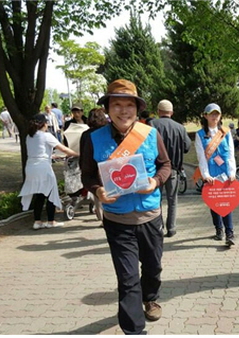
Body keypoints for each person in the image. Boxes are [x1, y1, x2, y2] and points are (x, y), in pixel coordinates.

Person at [80, 79, 171, 335]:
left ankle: (150, 297)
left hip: (150, 216)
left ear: (137, 108)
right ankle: (134, 330)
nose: (123, 111)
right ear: (108, 109)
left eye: (129, 105)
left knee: (153, 267)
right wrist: (98, 191)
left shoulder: (150, 134)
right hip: (117, 221)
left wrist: (155, 181)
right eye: (117, 105)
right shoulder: (92, 139)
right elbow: (87, 174)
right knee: (128, 278)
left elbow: (166, 165)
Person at [19, 114, 78, 229]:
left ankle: (37, 221)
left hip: (31, 167)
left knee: (39, 194)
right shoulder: (46, 136)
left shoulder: (29, 136)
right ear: (43, 124)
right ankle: (51, 221)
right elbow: (64, 149)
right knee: (51, 192)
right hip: (43, 167)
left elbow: (37, 151)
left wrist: (51, 156)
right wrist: (78, 154)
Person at [194, 103, 237, 246]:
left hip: (225, 174)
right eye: (211, 114)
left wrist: (232, 172)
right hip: (211, 174)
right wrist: (205, 175)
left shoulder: (226, 132)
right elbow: (201, 157)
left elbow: (230, 153)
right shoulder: (200, 135)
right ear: (205, 116)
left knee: (226, 203)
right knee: (213, 204)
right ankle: (219, 229)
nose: (214, 117)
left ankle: (229, 233)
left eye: (217, 114)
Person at [150, 99, 192, 237]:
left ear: (158, 111)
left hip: (156, 170)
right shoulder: (180, 127)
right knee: (172, 200)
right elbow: (186, 147)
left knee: (157, 199)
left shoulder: (152, 125)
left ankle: (159, 227)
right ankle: (172, 228)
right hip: (173, 169)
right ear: (171, 112)